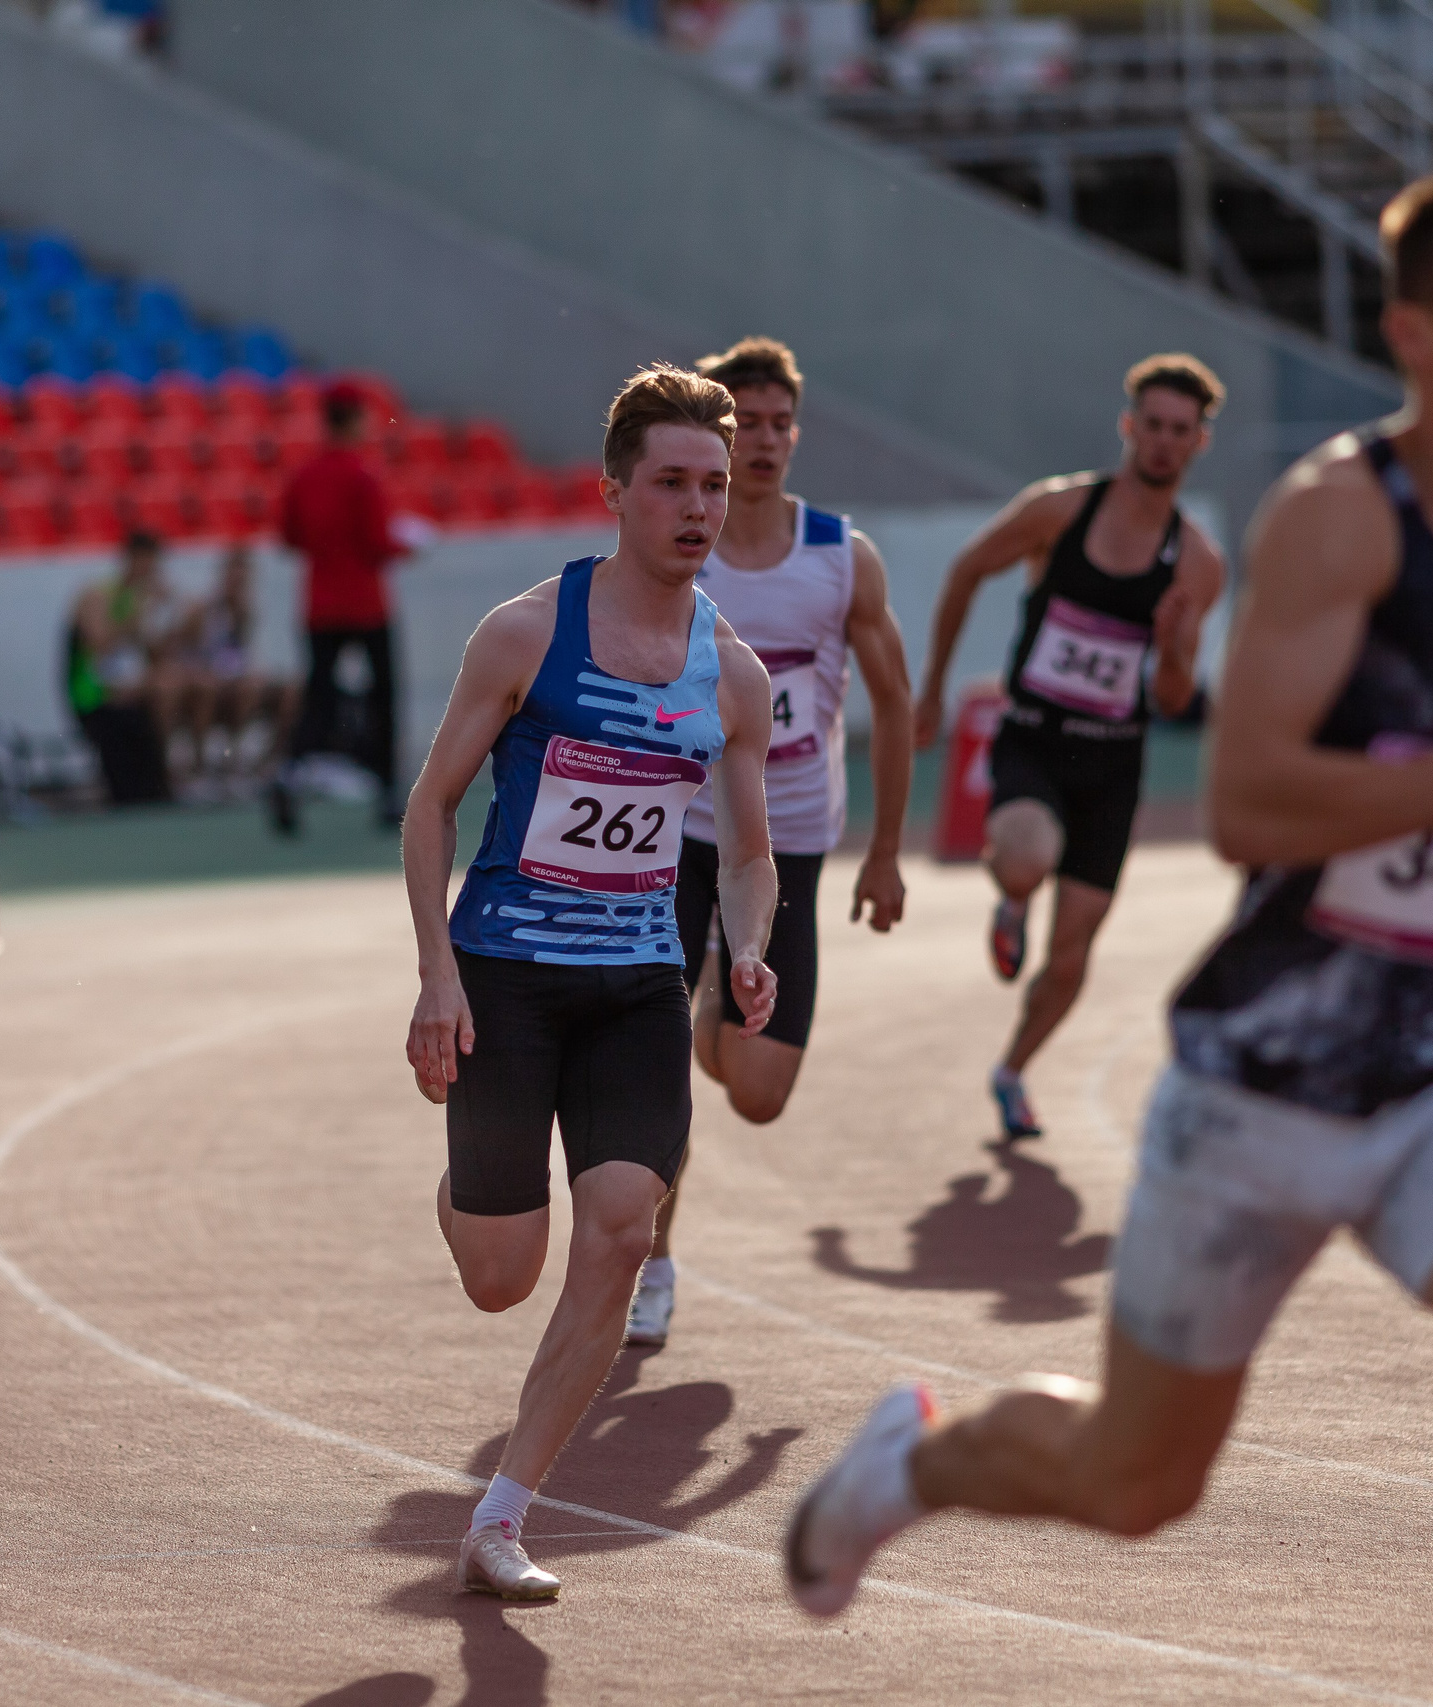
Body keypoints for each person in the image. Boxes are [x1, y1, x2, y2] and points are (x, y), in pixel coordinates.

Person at [788, 167, 1433, 1707]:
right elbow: (1256, 802)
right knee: (1137, 1481)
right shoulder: (1338, 518)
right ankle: (908, 1468)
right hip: (1269, 1075)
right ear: (1415, 331)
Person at [402, 366, 778, 1601]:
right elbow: (432, 810)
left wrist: (750, 947)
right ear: (613, 490)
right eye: (671, 481)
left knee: (619, 1231)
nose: (697, 507)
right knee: (500, 1276)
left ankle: (507, 1516)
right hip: (506, 979)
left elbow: (752, 848)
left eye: (713, 486)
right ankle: (462, 1190)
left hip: (634, 987)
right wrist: (437, 980)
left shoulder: (732, 677)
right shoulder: (524, 634)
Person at [626, 336, 916, 1351]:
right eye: (745, 423)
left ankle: (716, 998)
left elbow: (892, 697)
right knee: (656, 1064)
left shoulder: (840, 557)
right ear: (718, 433)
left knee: (755, 1094)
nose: (764, 440)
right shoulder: (678, 551)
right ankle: (649, 1264)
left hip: (788, 846)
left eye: (780, 423)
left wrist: (884, 851)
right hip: (680, 837)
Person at [911, 355, 1229, 1139]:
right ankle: (1012, 896)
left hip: (1114, 762)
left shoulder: (1197, 564)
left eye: (1178, 431)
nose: (1161, 442)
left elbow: (1176, 698)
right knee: (1025, 853)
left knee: (1073, 951)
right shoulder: (1061, 511)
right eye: (1150, 425)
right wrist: (933, 687)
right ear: (1129, 427)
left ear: (1198, 443)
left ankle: (1013, 1068)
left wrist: (1179, 649)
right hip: (1035, 739)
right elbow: (966, 570)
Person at [273, 378, 410, 832]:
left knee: (319, 698)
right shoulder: (363, 474)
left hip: (319, 605)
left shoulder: (303, 474)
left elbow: (289, 537)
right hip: (366, 604)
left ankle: (290, 774)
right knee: (383, 695)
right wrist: (407, 547)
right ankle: (388, 791)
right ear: (354, 420)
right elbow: (378, 543)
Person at [64, 529, 182, 807]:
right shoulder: (97, 595)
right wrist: (137, 609)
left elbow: (150, 654)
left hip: (129, 692)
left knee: (177, 688)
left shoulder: (135, 600)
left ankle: (174, 774)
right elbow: (100, 646)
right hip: (94, 695)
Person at [177, 541, 296, 793]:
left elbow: (241, 657)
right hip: (205, 681)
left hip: (233, 680)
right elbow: (189, 653)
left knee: (288, 691)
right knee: (225, 689)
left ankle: (262, 762)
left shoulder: (246, 612)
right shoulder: (202, 610)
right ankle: (211, 763)